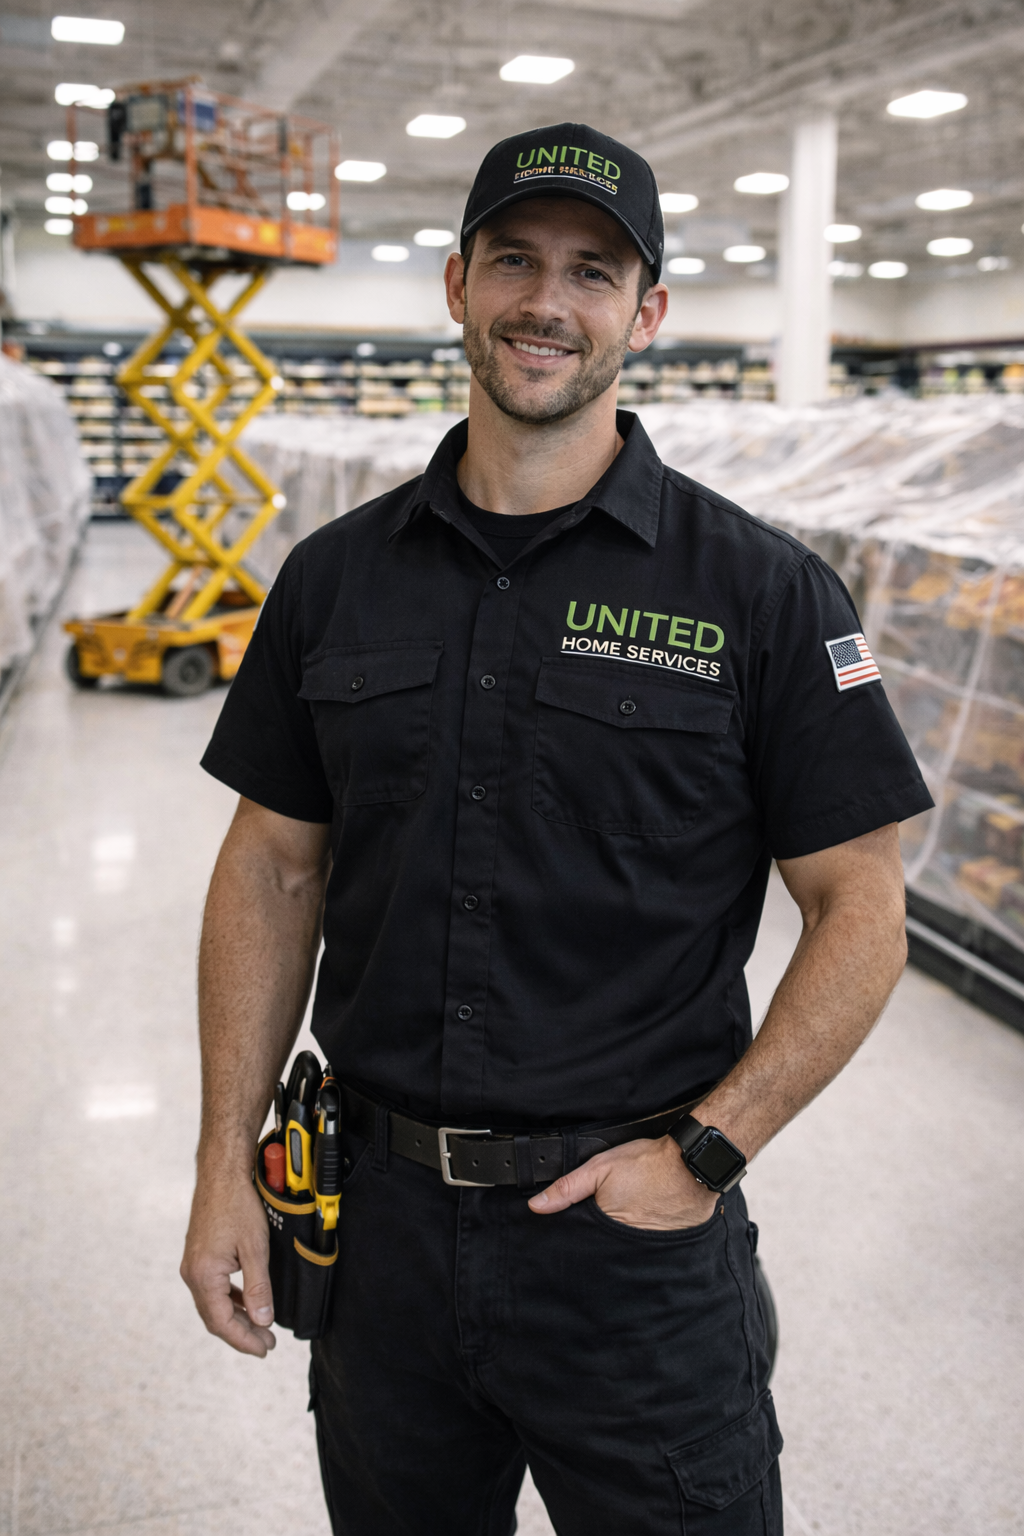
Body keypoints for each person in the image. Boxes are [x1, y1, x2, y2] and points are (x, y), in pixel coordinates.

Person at [181, 121, 933, 1534]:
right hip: (378, 1237)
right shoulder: (335, 581)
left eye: (594, 273)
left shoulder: (761, 595)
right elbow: (274, 868)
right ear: (457, 283)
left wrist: (711, 1149)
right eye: (515, 259)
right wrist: (226, 1161)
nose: (548, 300)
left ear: (645, 316)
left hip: (632, 1258)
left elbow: (861, 907)